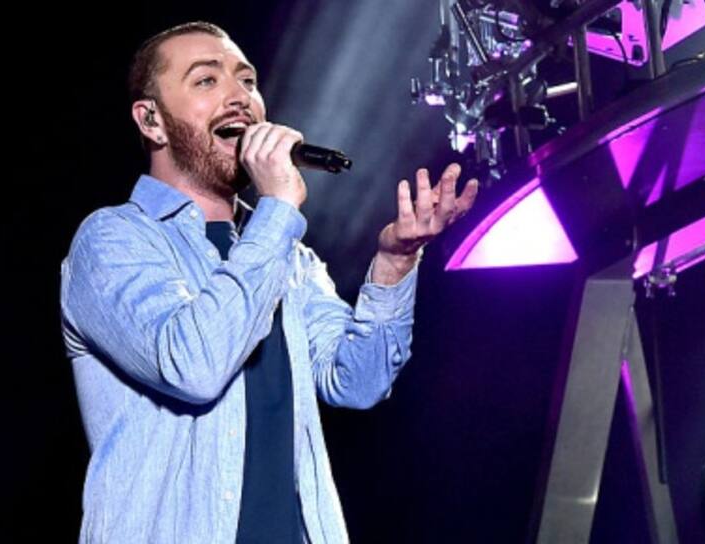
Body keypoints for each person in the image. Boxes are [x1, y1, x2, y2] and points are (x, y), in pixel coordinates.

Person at [60, 21, 478, 544]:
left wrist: (395, 264)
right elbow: (192, 365)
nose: (239, 97)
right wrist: (278, 207)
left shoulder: (287, 256)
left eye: (247, 81)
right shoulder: (112, 239)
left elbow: (358, 383)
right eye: (206, 80)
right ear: (152, 121)